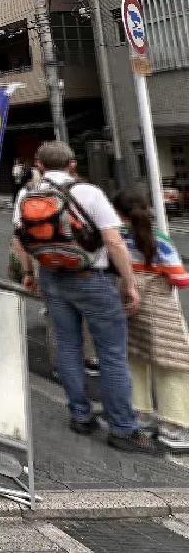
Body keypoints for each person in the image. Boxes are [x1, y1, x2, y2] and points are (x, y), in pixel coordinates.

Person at [13, 141, 160, 453]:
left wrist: (28, 273)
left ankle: (80, 416)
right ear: (73, 165)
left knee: (68, 347)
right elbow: (114, 242)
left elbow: (20, 241)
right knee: (111, 354)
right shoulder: (89, 193)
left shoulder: (26, 195)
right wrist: (129, 283)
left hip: (52, 276)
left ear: (39, 166)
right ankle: (123, 428)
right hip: (92, 278)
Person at [112, 189, 189, 446]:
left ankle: (140, 414)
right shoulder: (159, 240)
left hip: (128, 304)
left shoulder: (115, 239)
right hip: (160, 309)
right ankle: (174, 426)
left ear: (117, 213)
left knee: (134, 358)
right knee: (172, 364)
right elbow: (181, 279)